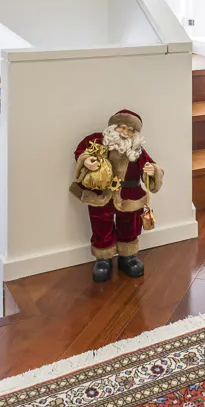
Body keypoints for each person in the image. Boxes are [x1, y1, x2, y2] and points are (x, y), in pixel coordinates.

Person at [69, 109, 163, 282]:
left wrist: (152, 170)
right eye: (122, 127)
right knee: (100, 225)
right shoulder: (97, 141)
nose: (125, 133)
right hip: (101, 194)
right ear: (113, 127)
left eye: (131, 130)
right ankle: (103, 258)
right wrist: (86, 160)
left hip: (129, 196)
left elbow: (151, 166)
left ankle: (128, 256)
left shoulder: (137, 151)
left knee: (129, 225)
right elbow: (81, 152)